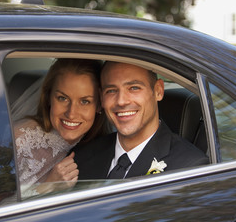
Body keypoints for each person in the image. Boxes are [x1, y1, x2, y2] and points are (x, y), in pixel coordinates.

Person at [74, 62, 209, 179]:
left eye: (134, 88)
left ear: (158, 91)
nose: (121, 101)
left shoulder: (189, 167)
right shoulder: (83, 156)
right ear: (101, 97)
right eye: (111, 90)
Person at [13, 58, 109, 196]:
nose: (71, 113)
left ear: (99, 105)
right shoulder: (19, 140)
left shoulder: (107, 147)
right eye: (62, 98)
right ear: (48, 97)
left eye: (85, 101)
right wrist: (49, 186)